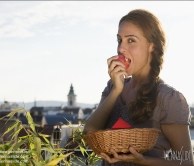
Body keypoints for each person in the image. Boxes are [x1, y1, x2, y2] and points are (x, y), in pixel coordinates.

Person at [83, 9, 194, 166]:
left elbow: (186, 162)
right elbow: (89, 132)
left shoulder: (169, 99)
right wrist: (116, 91)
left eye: (131, 41)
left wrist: (144, 160)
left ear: (152, 46)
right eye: (119, 40)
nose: (121, 48)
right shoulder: (112, 87)